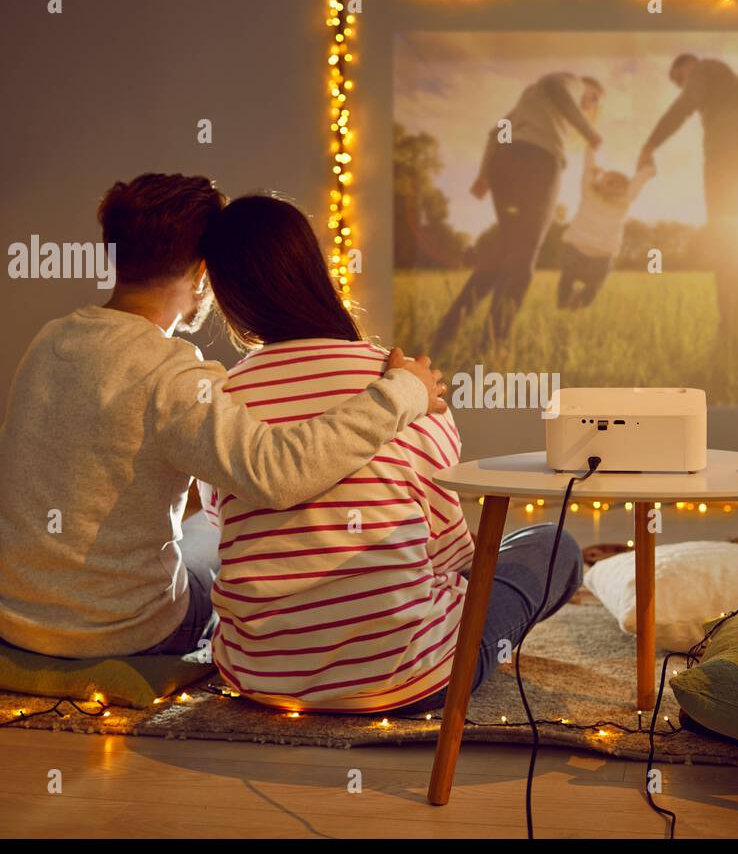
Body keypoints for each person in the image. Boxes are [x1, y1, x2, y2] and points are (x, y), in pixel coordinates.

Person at [0, 173, 446, 659]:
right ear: (205, 271)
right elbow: (277, 475)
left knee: (204, 526)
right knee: (220, 536)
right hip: (123, 634)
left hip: (11, 619)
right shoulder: (172, 373)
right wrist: (403, 392)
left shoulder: (47, 340)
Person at [199, 193, 583, 714]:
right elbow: (449, 551)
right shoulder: (404, 381)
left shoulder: (219, 397)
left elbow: (227, 523)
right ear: (314, 268)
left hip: (258, 675)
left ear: (227, 296)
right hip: (412, 681)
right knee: (553, 545)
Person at [638, 54, 738, 393]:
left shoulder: (706, 67)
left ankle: (733, 335)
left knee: (728, 247)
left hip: (725, 156)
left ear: (689, 67)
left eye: (680, 78)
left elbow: (685, 104)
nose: (681, 84)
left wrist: (651, 143)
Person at [431, 73, 604, 352]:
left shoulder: (532, 98)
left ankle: (446, 332)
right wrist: (589, 131)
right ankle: (492, 345)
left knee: (504, 253)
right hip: (538, 162)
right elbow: (557, 88)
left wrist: (484, 174)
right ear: (586, 87)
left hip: (507, 163)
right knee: (523, 256)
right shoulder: (570, 82)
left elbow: (496, 132)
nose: (591, 104)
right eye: (593, 97)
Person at [557, 145, 655, 309]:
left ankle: (568, 306)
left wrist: (591, 146)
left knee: (575, 284)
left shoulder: (595, 195)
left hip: (582, 253)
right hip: (594, 255)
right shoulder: (617, 201)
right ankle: (568, 306)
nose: (614, 187)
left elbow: (589, 167)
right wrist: (648, 170)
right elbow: (635, 183)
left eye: (618, 184)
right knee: (583, 286)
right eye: (611, 182)